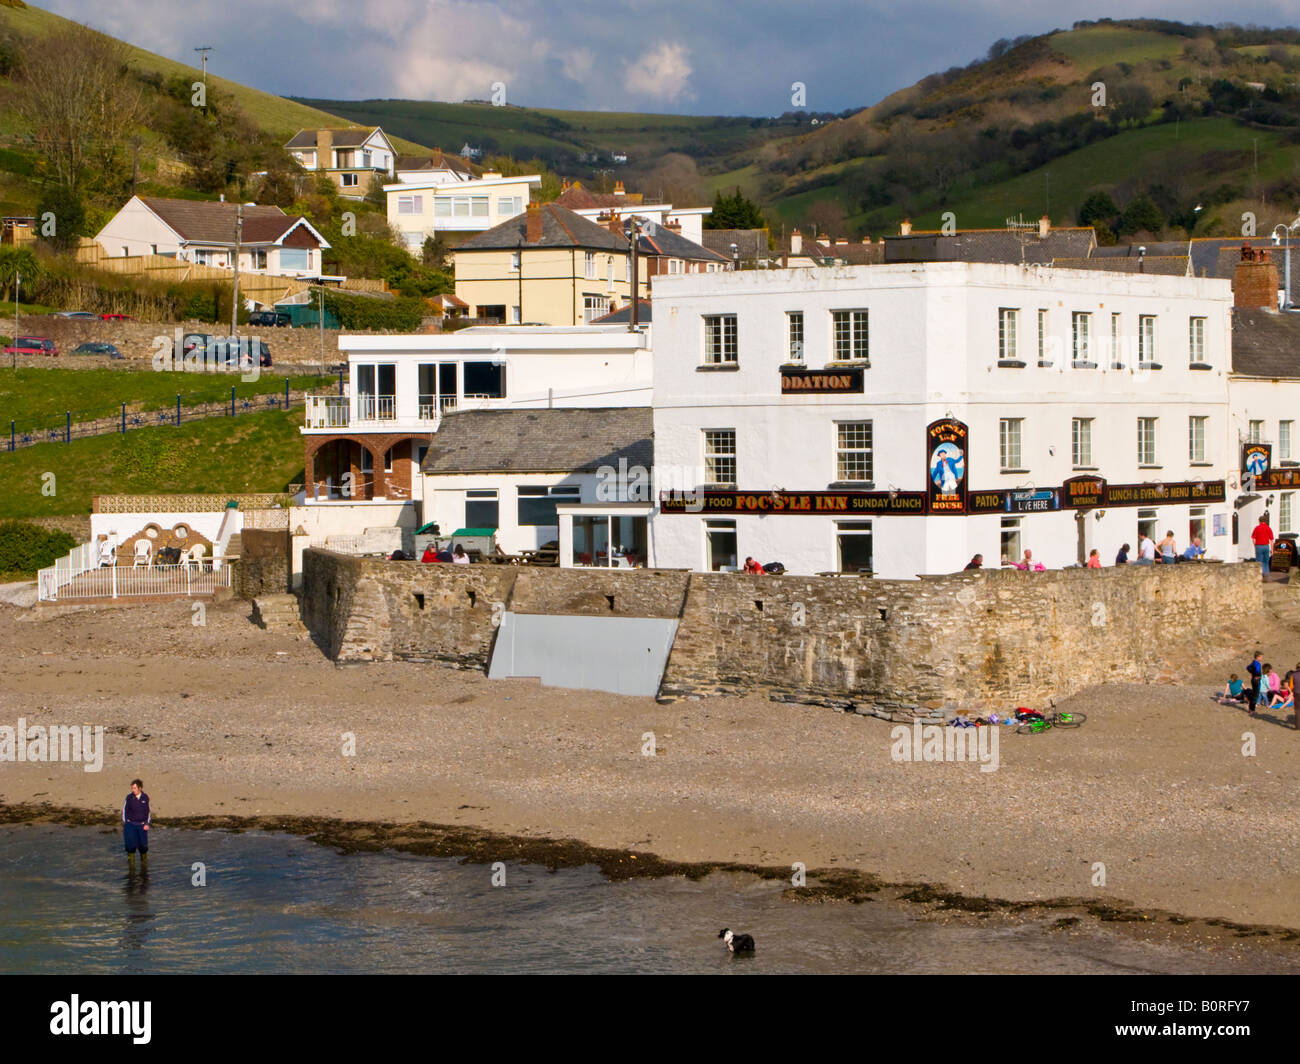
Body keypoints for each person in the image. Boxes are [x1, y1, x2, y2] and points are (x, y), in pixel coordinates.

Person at [122, 779, 150, 868]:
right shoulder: (129, 797)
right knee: (131, 846)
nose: (132, 790)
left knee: (143, 846)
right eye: (132, 788)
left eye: (134, 788)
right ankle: (131, 866)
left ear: (140, 788)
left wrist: (147, 823)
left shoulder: (145, 797)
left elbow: (148, 812)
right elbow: (124, 811)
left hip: (142, 825)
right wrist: (126, 823)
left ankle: (144, 866)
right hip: (130, 824)